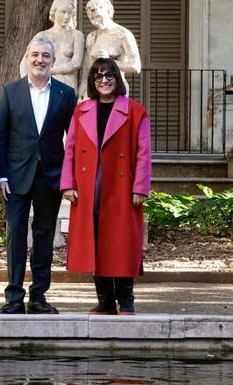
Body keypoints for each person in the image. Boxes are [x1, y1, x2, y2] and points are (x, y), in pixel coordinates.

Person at [0, 35, 78, 314]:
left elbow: (73, 140)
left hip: (50, 177)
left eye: (46, 56)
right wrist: (1, 176)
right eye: (35, 55)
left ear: (53, 62)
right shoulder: (10, 92)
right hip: (16, 178)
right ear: (27, 58)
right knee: (15, 237)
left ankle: (38, 296)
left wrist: (68, 179)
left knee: (44, 236)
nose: (40, 60)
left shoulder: (66, 95)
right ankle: (14, 297)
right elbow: (0, 138)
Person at [61, 56, 151, 315]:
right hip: (89, 187)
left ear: (117, 78)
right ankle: (105, 300)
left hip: (121, 188)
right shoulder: (81, 111)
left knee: (120, 243)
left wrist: (140, 187)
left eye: (109, 74)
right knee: (95, 242)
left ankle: (126, 300)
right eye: (98, 76)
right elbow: (71, 149)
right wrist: (67, 183)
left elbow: (144, 152)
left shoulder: (135, 111)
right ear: (92, 81)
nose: (104, 80)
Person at [19, 0, 85, 91]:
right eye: (63, 12)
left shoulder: (77, 35)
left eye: (70, 13)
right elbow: (25, 62)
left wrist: (51, 70)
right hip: (44, 84)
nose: (66, 16)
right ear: (54, 12)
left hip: (67, 85)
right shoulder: (42, 36)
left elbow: (76, 63)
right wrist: (26, 86)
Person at [80, 0, 142, 98]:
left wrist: (109, 61)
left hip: (115, 89)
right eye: (92, 18)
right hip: (93, 89)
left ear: (109, 12)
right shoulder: (91, 37)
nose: (95, 22)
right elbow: (87, 69)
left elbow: (136, 66)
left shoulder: (123, 34)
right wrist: (81, 92)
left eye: (98, 17)